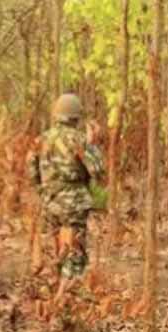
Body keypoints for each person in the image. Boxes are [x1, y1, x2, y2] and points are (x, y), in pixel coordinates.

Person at [28, 93, 104, 280]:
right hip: (74, 203)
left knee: (58, 246)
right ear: (77, 117)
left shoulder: (41, 139)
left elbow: (31, 167)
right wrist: (93, 145)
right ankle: (69, 290)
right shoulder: (79, 140)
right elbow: (98, 171)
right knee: (74, 252)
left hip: (50, 201)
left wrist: (42, 190)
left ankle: (57, 285)